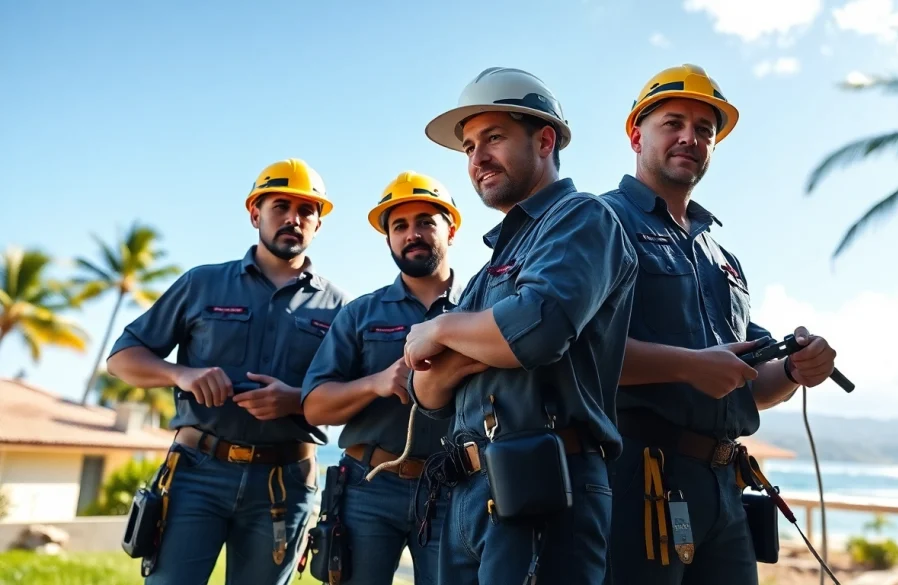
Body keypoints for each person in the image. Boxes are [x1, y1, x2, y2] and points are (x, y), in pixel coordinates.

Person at [600, 64, 839, 585]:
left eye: (705, 130)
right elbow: (571, 351)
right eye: (673, 122)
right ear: (636, 134)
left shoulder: (721, 256)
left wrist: (796, 370)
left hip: (725, 483)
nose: (690, 137)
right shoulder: (599, 223)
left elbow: (744, 386)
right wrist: (688, 367)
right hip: (638, 476)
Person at [402, 66, 639, 585]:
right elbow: (425, 390)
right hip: (468, 491)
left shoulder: (583, 219)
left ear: (545, 140)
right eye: (468, 147)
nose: (477, 158)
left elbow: (536, 330)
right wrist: (485, 340)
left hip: (548, 483)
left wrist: (442, 333)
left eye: (493, 138)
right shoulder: (490, 266)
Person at [105, 158, 350, 585]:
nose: (293, 218)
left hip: (284, 484)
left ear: (318, 224)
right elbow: (122, 357)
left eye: (307, 210)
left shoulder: (341, 308)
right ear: (255, 213)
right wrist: (182, 376)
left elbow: (357, 398)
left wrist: (295, 400)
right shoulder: (202, 284)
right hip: (196, 472)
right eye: (280, 206)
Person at [301, 170, 473, 585]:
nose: (412, 234)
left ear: (451, 230)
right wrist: (375, 383)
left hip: (453, 489)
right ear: (389, 239)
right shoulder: (361, 313)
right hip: (367, 488)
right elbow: (313, 407)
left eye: (425, 223)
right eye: (400, 226)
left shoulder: (480, 307)